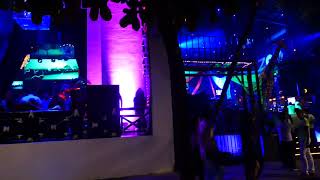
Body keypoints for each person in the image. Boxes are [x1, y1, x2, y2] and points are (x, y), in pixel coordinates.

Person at [295, 108, 315, 176]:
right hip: (304, 139)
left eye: (298, 113)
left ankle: (305, 171)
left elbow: (307, 131)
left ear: (301, 113)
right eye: (297, 114)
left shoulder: (304, 120)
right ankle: (311, 170)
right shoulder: (302, 120)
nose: (297, 115)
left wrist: (307, 141)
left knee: (303, 155)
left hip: (304, 139)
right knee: (308, 155)